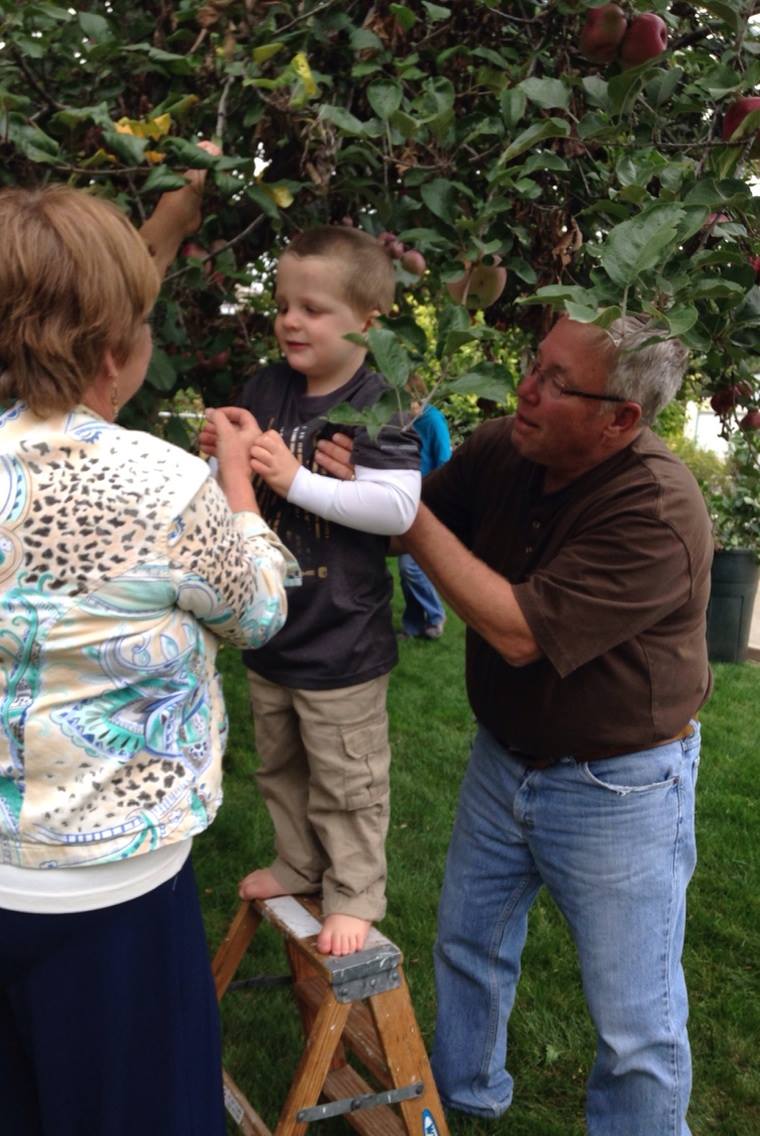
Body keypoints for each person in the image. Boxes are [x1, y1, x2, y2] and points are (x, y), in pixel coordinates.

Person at [316, 314, 713, 1135]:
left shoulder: (657, 512)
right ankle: (464, 1103)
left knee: (634, 1022)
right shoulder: (510, 445)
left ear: (622, 419)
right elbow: (417, 524)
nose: (527, 390)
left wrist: (399, 512)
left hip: (619, 787)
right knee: (468, 948)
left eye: (559, 383)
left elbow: (516, 631)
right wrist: (356, 479)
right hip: (504, 759)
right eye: (536, 366)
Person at [0, 177, 296, 1136]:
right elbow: (256, 617)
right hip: (112, 894)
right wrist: (239, 494)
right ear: (118, 350)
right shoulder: (162, 485)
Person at [200, 225, 420, 957]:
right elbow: (234, 490)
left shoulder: (378, 399)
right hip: (273, 633)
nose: (291, 321)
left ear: (368, 321)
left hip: (341, 638)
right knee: (281, 763)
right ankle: (298, 861)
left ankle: (355, 891)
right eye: (283, 304)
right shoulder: (268, 387)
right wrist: (224, 453)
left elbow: (397, 509)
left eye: (313, 309)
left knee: (347, 778)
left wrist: (297, 481)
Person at [398, 381, 452, 639]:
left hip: (427, 502)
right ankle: (413, 625)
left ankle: (436, 615)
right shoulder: (399, 421)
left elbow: (445, 463)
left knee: (411, 566)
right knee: (406, 566)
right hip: (403, 502)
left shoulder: (432, 421)